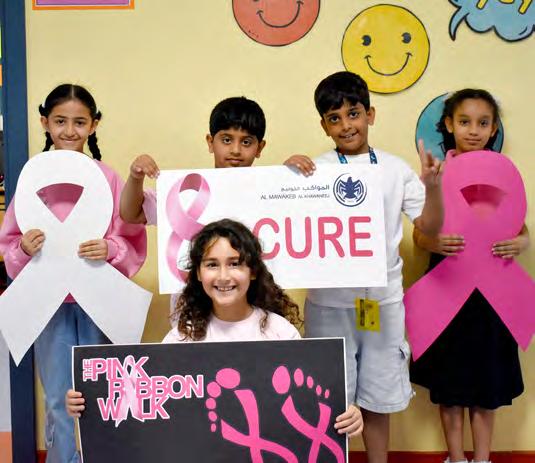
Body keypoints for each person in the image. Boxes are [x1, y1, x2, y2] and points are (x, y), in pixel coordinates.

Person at [67, 219, 364, 438]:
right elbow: (148, 401)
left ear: (253, 271)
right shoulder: (182, 338)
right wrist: (91, 400)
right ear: (197, 273)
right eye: (211, 264)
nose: (223, 276)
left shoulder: (280, 333)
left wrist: (349, 417)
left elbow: (310, 406)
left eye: (235, 263)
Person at [284, 71, 443, 463]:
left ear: (370, 115)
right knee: (328, 397)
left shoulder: (395, 169)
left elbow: (430, 227)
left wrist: (433, 186)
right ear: (324, 125)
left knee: (377, 396)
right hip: (328, 303)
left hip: (381, 302)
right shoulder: (314, 170)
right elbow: (284, 223)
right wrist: (283, 176)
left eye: (353, 114)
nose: (345, 125)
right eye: (334, 118)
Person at [0, 84, 147, 463]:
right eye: (60, 121)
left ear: (94, 125)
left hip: (99, 299)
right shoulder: (33, 178)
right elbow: (10, 242)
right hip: (50, 304)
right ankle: (63, 458)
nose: (69, 130)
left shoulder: (107, 178)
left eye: (79, 122)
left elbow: (129, 233)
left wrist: (110, 248)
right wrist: (24, 248)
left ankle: (109, 457)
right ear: (44, 122)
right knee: (59, 395)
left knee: (107, 388)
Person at [410, 89, 530, 463]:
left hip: (493, 296)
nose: (473, 130)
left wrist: (522, 242)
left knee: (486, 384)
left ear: (493, 128)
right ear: (449, 124)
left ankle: (481, 458)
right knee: (449, 386)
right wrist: (434, 241)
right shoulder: (436, 172)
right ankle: (456, 458)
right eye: (464, 122)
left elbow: (519, 226)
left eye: (483, 123)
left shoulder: (502, 174)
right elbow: (418, 234)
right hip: (447, 291)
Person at [119, 96, 267, 226]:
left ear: (259, 148)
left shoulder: (270, 192)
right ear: (210, 142)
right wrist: (136, 177)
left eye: (246, 142)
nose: (235, 150)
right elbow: (132, 214)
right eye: (227, 140)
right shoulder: (189, 194)